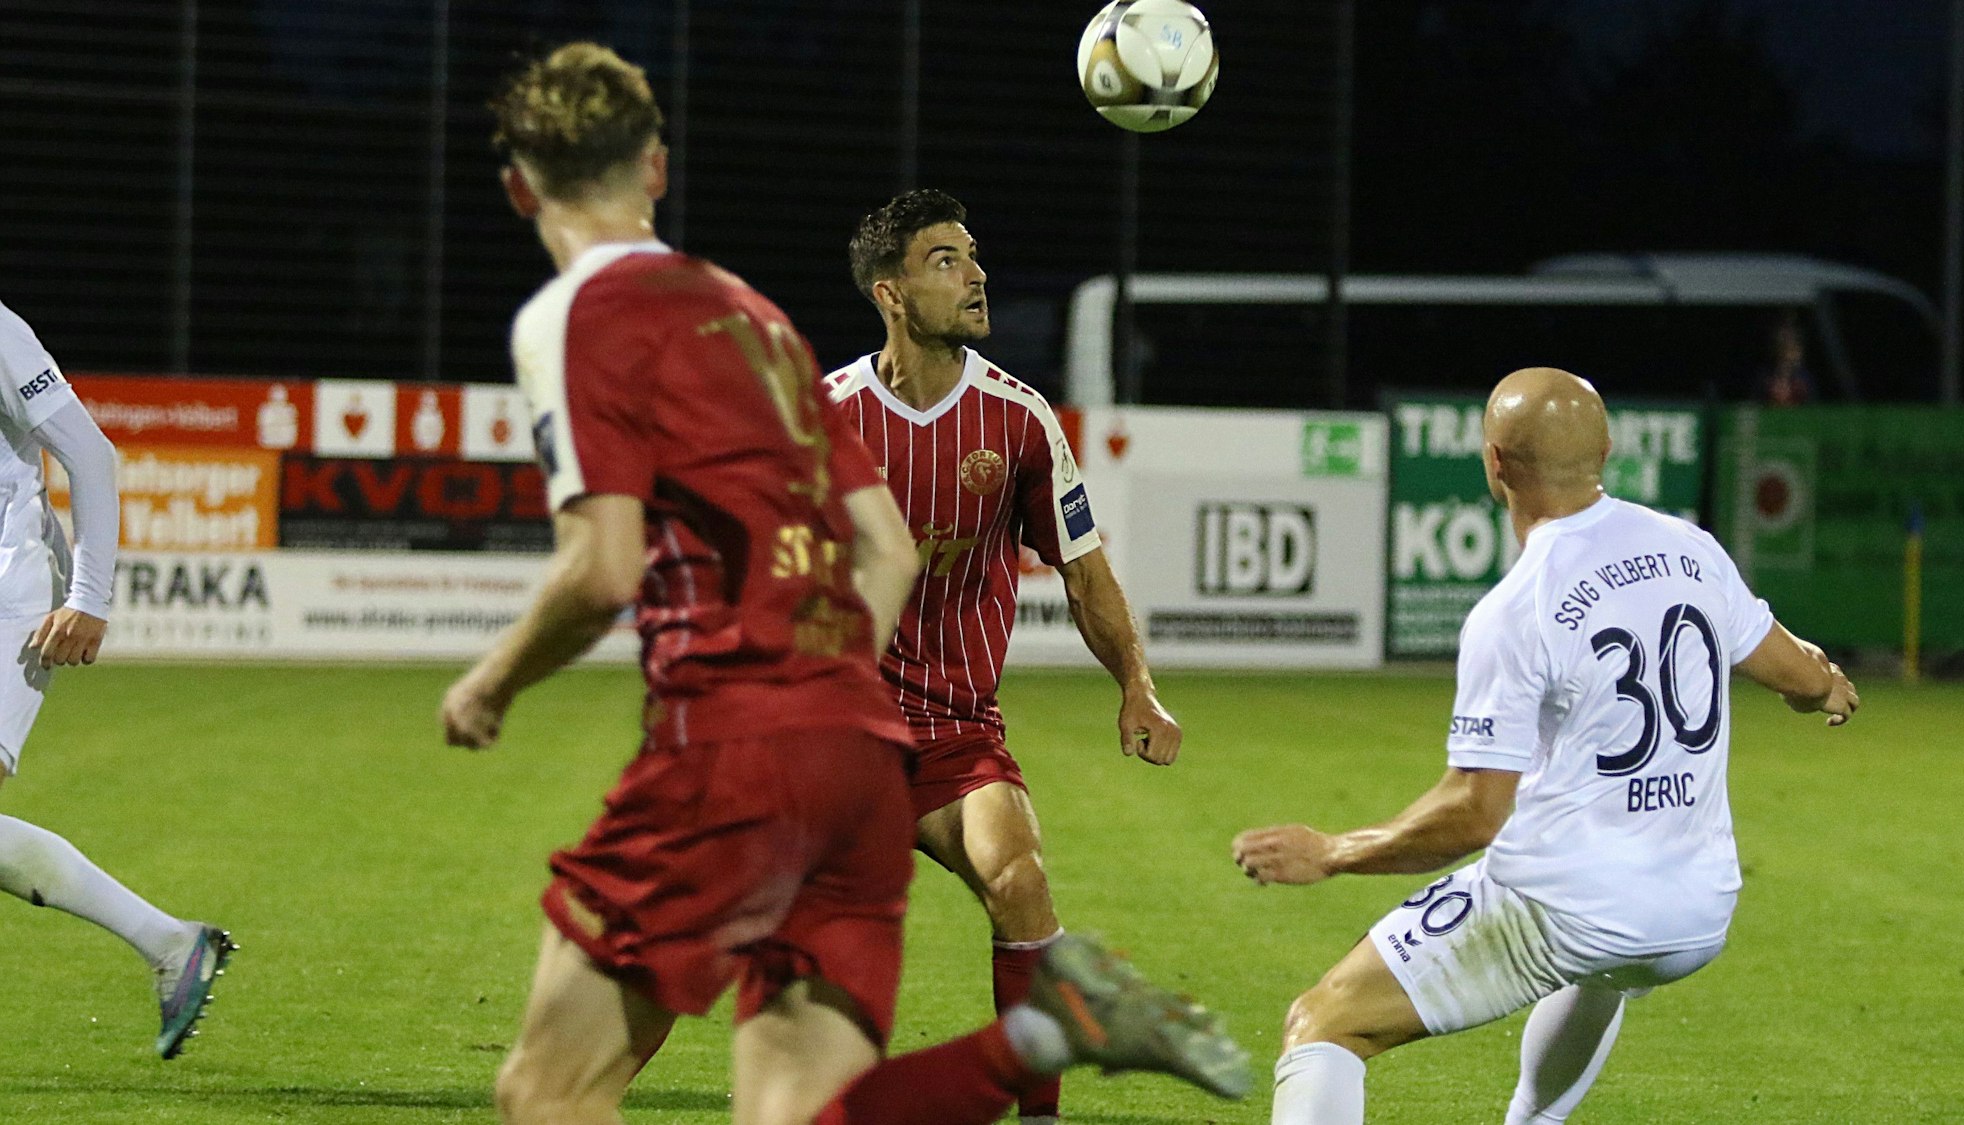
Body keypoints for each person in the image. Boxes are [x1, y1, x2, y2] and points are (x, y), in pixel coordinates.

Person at [441, 42, 1247, 1125]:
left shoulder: (572, 315)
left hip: (743, 738)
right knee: (792, 1113)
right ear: (655, 169)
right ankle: (1040, 1036)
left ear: (517, 186)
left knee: (549, 1090)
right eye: (945, 259)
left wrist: (487, 684)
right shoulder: (755, 321)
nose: (974, 275)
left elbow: (600, 572)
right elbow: (885, 551)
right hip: (856, 754)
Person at [1232, 367, 1860, 1125]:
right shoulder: (1690, 549)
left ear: (1494, 462)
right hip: (1696, 911)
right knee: (1601, 970)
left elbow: (1473, 814)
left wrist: (1332, 851)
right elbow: (1793, 670)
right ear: (1608, 450)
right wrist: (1825, 685)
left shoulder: (1518, 606)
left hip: (1570, 905)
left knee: (1323, 1022)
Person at [824, 188, 1182, 1125]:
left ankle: (1040, 1119)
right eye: (946, 260)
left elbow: (1087, 573)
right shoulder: (824, 417)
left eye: (974, 255)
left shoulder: (1019, 421)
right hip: (834, 733)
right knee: (718, 920)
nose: (977, 274)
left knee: (1020, 880)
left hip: (951, 734)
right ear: (889, 292)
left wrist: (1137, 688)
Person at [0, 299, 233, 1059]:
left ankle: (169, 942)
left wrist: (89, 598)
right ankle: (170, 942)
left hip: (13, 595)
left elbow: (91, 454)